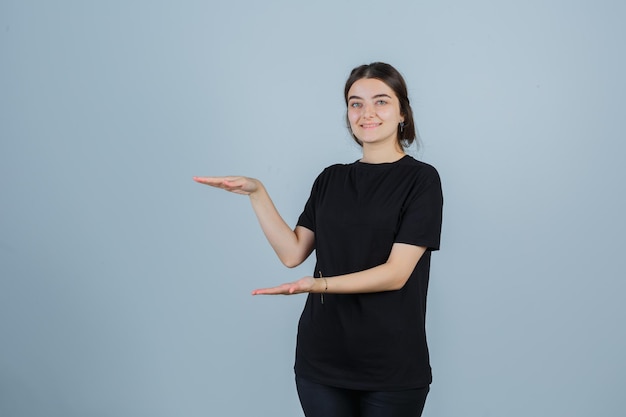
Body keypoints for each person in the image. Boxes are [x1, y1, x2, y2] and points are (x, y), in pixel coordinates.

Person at [194, 62, 443, 417]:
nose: (366, 113)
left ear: (402, 112)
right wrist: (257, 193)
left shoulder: (422, 181)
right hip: (321, 363)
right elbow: (292, 252)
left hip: (391, 366)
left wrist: (317, 285)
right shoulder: (330, 179)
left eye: (381, 101)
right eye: (355, 103)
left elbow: (396, 273)